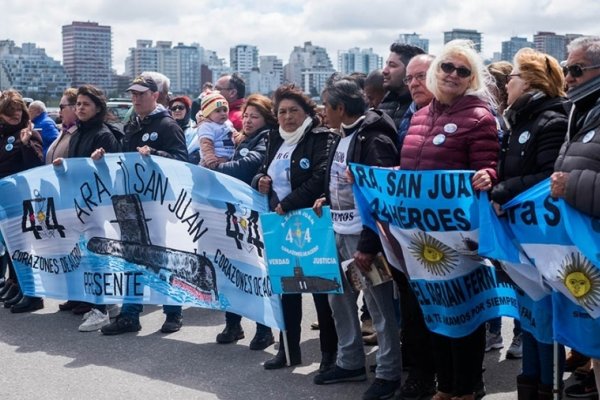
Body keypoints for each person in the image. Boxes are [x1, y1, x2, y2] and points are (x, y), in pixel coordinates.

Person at [400, 40, 500, 400]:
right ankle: (445, 385)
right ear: (435, 70)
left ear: (471, 78)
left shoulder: (479, 116)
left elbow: (489, 163)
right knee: (435, 311)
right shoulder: (420, 115)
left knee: (464, 313)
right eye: (447, 67)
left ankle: (466, 388)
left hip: (459, 234)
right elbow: (412, 168)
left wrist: (488, 174)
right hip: (422, 235)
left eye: (463, 71)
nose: (453, 75)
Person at [311, 76, 402, 400]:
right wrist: (327, 197)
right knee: (339, 299)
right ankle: (350, 361)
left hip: (363, 238)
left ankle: (390, 371)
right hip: (337, 230)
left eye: (326, 105)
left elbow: (380, 197)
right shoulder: (343, 135)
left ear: (340, 107)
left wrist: (368, 244)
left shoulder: (374, 138)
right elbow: (338, 179)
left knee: (379, 306)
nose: (323, 111)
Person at [489, 47, 568, 400]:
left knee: (544, 314)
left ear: (531, 82)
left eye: (513, 79)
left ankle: (545, 386)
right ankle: (530, 383)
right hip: (520, 234)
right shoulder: (518, 120)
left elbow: (545, 177)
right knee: (529, 311)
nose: (507, 85)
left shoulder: (551, 121)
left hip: (540, 236)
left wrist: (502, 191)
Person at [253, 84, 338, 371]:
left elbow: (320, 177)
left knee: (320, 292)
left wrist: (288, 203)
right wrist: (260, 181)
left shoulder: (321, 137)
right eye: (282, 112)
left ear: (307, 112)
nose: (287, 117)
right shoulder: (275, 137)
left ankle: (329, 356)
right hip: (280, 224)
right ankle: (288, 351)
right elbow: (266, 173)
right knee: (286, 290)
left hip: (312, 221)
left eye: (294, 111)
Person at [97, 72, 188, 336]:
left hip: (158, 203)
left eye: (141, 94)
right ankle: (130, 314)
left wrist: (156, 155)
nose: (135, 98)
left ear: (155, 95)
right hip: (131, 202)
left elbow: (183, 161)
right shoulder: (133, 124)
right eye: (133, 94)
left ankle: (173, 312)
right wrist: (105, 156)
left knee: (161, 257)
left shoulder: (168, 125)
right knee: (132, 259)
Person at [551, 35, 600, 399]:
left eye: (575, 69)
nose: (566, 77)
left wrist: (571, 185)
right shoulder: (581, 110)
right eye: (567, 68)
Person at [57, 85, 123, 331]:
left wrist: (101, 162)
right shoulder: (77, 134)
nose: (80, 108)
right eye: (78, 104)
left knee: (98, 256)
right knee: (89, 255)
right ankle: (109, 303)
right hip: (81, 203)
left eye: (86, 104)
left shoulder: (104, 134)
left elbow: (115, 170)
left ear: (97, 108)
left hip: (99, 205)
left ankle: (101, 309)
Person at [213, 94, 277, 350]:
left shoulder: (268, 138)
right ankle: (233, 323)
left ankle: (264, 329)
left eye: (255, 116)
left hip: (255, 215)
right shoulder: (244, 139)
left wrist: (216, 167)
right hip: (236, 213)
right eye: (246, 116)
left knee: (257, 271)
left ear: (266, 119)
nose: (248, 120)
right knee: (233, 269)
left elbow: (249, 165)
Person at [395, 53, 438, 400]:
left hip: (447, 231)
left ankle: (463, 380)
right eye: (410, 78)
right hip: (410, 230)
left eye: (421, 76)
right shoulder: (408, 117)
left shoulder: (466, 115)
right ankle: (420, 374)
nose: (413, 84)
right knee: (412, 306)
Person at [484, 60, 524, 360]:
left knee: (517, 274)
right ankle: (493, 330)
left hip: (511, 204)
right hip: (492, 204)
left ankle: (521, 333)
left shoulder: (510, 118)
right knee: (493, 271)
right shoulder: (490, 116)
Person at [0, 90, 44, 312]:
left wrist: (26, 144)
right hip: (5, 200)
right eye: (10, 113)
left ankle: (33, 292)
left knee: (23, 247)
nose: (15, 117)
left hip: (22, 200)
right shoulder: (3, 133)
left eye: (18, 112)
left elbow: (36, 165)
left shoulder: (28, 133)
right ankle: (17, 284)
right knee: (10, 246)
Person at [379, 43, 425, 130]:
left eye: (392, 65)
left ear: (410, 69)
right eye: (386, 64)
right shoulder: (385, 103)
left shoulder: (420, 107)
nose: (384, 71)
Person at [197, 92, 236, 169]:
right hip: (213, 160)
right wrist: (210, 158)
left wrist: (243, 138)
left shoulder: (227, 123)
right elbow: (206, 144)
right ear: (208, 114)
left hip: (229, 159)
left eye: (225, 110)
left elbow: (235, 135)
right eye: (218, 111)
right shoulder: (207, 126)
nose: (223, 113)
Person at [168, 95, 199, 164]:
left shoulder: (195, 129)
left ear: (187, 110)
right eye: (174, 108)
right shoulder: (166, 128)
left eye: (180, 107)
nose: (177, 110)